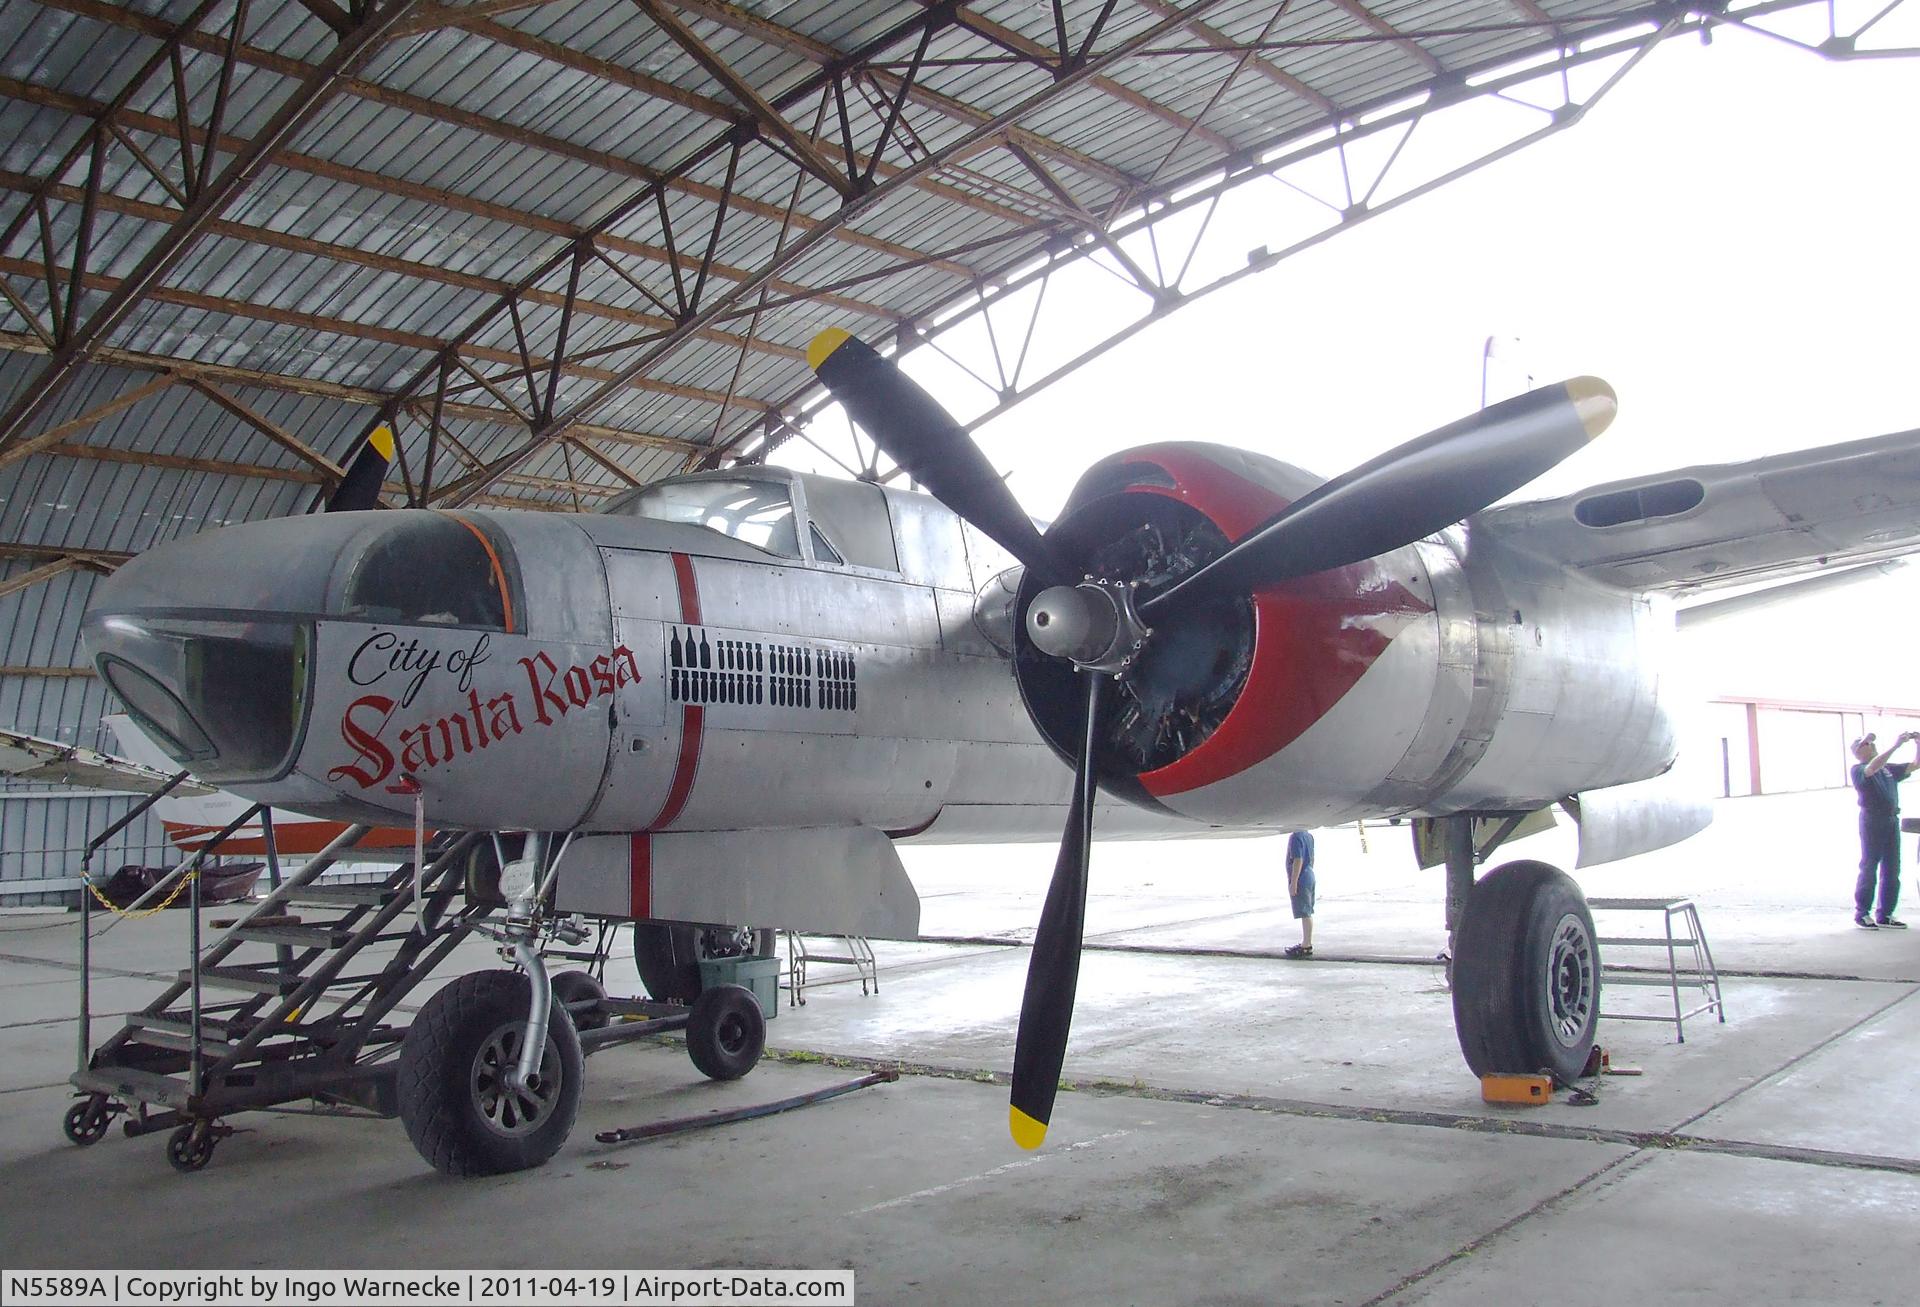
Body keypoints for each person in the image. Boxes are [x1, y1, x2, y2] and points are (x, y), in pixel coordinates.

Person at [1850, 730, 1919, 929]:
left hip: (1890, 820)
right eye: (1866, 744)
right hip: (1872, 820)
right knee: (1870, 865)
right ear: (1858, 751)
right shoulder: (1859, 769)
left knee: (1892, 867)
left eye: (1871, 743)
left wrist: (1917, 743)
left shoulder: (1887, 769)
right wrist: (1896, 745)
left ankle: (1886, 913)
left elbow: (1915, 765)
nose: (1871, 746)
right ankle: (1862, 913)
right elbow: (1871, 768)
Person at [1284, 829, 1316, 958]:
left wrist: (1294, 882)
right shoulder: (1308, 835)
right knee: (1307, 911)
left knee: (1305, 912)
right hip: (1309, 874)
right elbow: (1312, 858)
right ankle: (1306, 942)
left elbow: (1298, 860)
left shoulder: (1295, 837)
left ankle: (1306, 944)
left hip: (1301, 877)